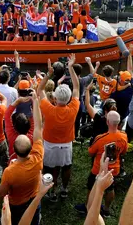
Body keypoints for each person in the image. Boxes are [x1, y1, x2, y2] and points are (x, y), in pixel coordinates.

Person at [38, 54, 80, 202]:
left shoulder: (48, 108)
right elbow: (76, 87)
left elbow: (40, 90)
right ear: (69, 99)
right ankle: (64, 189)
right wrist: (70, 67)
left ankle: (52, 191)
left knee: (49, 169)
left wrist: (49, 74)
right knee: (66, 166)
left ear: (55, 98)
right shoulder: (74, 107)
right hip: (66, 143)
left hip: (50, 144)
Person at [0, 90, 43, 225]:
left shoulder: (9, 171)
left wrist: (17, 102)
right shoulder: (38, 155)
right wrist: (35, 102)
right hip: (34, 198)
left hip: (16, 204)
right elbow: (38, 125)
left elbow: (1, 193)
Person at [76, 111, 128, 217]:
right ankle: (106, 209)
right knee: (110, 188)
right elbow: (124, 151)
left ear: (107, 122)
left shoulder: (100, 138)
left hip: (98, 170)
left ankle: (87, 207)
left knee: (92, 187)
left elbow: (91, 153)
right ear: (118, 123)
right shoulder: (124, 137)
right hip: (114, 169)